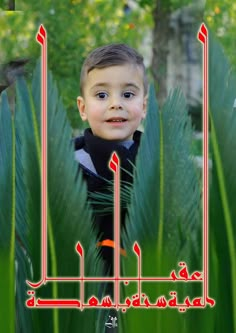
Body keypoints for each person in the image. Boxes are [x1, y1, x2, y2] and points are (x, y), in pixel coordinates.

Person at [74, 43, 148, 278]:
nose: (116, 103)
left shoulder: (160, 162)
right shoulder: (64, 165)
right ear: (83, 108)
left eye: (128, 94)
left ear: (144, 106)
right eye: (102, 95)